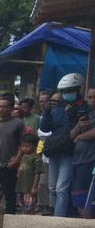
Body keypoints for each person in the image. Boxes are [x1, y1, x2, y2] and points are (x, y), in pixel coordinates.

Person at [40, 73, 89, 217]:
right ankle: (55, 213)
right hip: (55, 150)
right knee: (52, 187)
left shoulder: (84, 108)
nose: (66, 94)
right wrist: (47, 111)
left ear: (78, 90)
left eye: (69, 91)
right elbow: (45, 128)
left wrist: (74, 114)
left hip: (69, 152)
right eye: (64, 91)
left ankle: (58, 220)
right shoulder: (57, 108)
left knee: (62, 188)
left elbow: (84, 127)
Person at [70, 87, 95, 219]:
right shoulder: (86, 114)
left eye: (94, 97)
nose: (92, 100)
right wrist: (78, 127)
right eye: (90, 97)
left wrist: (79, 137)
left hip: (90, 162)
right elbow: (70, 135)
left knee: (85, 198)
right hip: (78, 160)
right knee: (78, 197)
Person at [16, 134, 43, 215]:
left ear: (34, 147)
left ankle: (30, 219)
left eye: (27, 146)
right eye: (23, 146)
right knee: (23, 205)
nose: (24, 148)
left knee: (30, 206)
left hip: (29, 188)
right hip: (22, 186)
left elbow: (37, 174)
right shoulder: (24, 156)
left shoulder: (36, 158)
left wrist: (34, 187)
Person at [35, 91, 52, 214]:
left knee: (50, 183)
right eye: (40, 101)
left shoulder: (54, 116)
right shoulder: (41, 117)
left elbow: (45, 135)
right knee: (42, 182)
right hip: (43, 154)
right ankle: (42, 205)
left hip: (53, 155)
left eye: (44, 101)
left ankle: (49, 206)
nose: (42, 104)